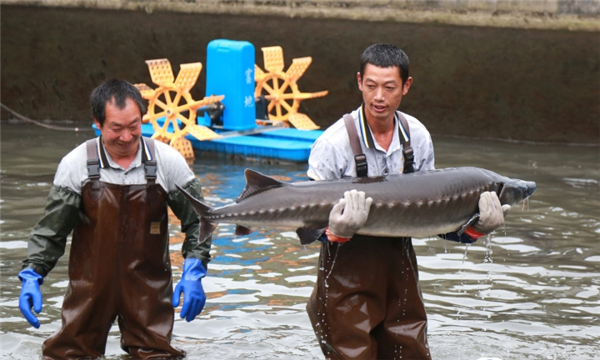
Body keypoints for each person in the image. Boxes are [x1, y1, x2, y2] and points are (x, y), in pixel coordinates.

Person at [307, 44, 510, 360]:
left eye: (389, 88)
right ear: (359, 81)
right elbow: (307, 222)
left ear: (406, 86)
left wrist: (476, 228)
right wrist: (335, 231)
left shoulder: (417, 137)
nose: (379, 97)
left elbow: (431, 217)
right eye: (371, 86)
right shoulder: (332, 145)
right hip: (345, 271)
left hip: (400, 268)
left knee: (412, 353)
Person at [17, 79, 212, 360]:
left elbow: (199, 221)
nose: (126, 137)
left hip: (148, 288)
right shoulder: (76, 165)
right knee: (67, 355)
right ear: (97, 123)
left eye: (134, 126)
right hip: (90, 289)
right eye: (116, 128)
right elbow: (51, 231)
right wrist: (32, 274)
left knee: (157, 356)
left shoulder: (168, 162)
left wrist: (195, 269)